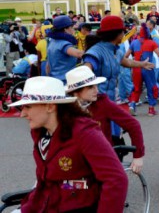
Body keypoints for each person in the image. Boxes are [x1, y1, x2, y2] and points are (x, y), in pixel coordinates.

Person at [8, 76, 127, 211]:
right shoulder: (40, 132)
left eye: (28, 106)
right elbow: (47, 182)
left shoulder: (84, 132)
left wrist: (70, 186)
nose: (22, 114)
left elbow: (115, 179)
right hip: (47, 204)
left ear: (50, 106)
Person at [65, 66, 145, 173]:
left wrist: (138, 156)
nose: (96, 90)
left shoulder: (102, 103)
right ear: (76, 92)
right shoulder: (64, 108)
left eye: (96, 86)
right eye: (90, 87)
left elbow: (133, 124)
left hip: (102, 158)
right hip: (75, 160)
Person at [125, 23, 159, 116]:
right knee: (151, 88)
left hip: (136, 69)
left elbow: (126, 56)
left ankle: (132, 105)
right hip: (148, 68)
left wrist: (132, 64)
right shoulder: (152, 43)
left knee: (136, 88)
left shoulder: (134, 42)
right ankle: (151, 110)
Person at [47, 16, 84, 83]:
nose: (74, 29)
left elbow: (48, 67)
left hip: (54, 80)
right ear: (65, 29)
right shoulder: (63, 44)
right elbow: (78, 54)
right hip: (66, 81)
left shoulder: (52, 41)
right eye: (72, 27)